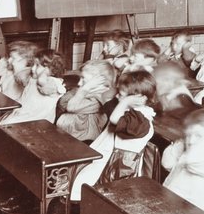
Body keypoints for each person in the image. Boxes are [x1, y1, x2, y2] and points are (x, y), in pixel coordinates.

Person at [68, 69, 158, 205]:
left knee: (82, 183)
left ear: (138, 98)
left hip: (118, 168)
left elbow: (115, 119)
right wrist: (123, 99)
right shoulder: (128, 110)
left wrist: (125, 101)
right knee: (76, 178)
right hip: (105, 160)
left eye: (121, 95)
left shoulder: (141, 120)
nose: (117, 97)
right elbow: (109, 103)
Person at [160, 109, 204, 214]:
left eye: (198, 135)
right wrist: (181, 142)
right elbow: (166, 163)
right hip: (172, 203)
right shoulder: (193, 147)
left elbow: (191, 160)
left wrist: (183, 145)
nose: (191, 140)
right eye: (188, 135)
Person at [56, 59, 116, 142]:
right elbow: (62, 102)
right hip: (68, 134)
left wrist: (84, 89)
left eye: (84, 79)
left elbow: (71, 107)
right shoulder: (86, 91)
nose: (79, 83)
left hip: (83, 140)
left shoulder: (101, 97)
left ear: (99, 81)